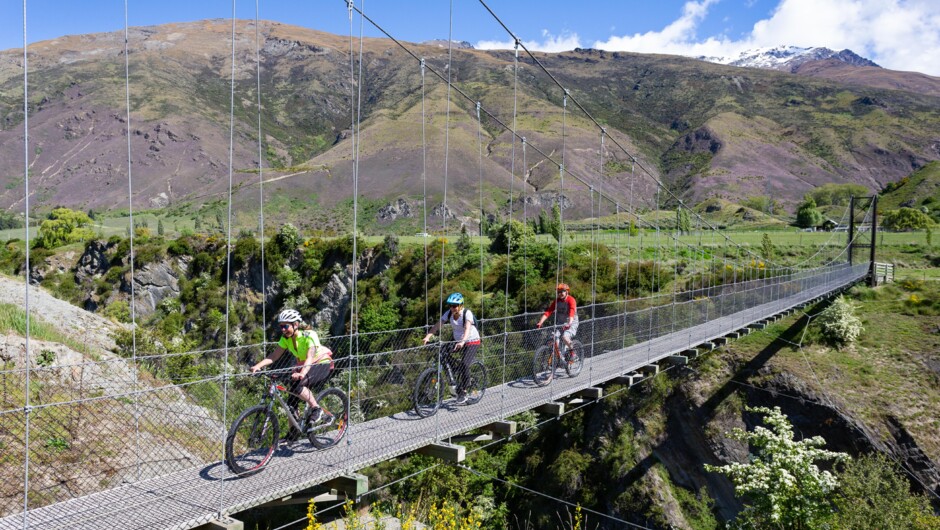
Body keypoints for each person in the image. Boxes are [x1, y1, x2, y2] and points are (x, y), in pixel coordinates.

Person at [250, 309, 334, 436]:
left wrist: (302, 373)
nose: (282, 329)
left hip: (321, 363)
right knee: (291, 402)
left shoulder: (309, 335)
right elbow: (274, 355)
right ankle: (293, 434)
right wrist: (257, 366)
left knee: (297, 385)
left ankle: (316, 409)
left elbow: (310, 357)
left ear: (296, 325)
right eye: (281, 326)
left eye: (285, 326)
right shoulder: (285, 339)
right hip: (305, 365)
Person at [422, 292, 481, 405]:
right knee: (442, 352)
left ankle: (463, 391)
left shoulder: (467, 313)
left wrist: (463, 341)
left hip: (471, 341)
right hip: (457, 341)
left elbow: (467, 329)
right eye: (450, 305)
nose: (452, 308)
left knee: (464, 364)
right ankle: (455, 369)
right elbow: (438, 325)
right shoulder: (449, 313)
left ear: (461, 305)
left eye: (455, 305)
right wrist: (428, 336)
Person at [536, 283, 578, 352]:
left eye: (562, 292)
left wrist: (569, 323)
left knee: (565, 337)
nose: (560, 294)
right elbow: (548, 312)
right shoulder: (557, 301)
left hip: (571, 322)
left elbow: (572, 312)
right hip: (560, 323)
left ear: (566, 292)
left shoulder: (571, 300)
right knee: (554, 339)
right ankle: (560, 357)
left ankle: (573, 353)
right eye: (558, 292)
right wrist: (540, 322)